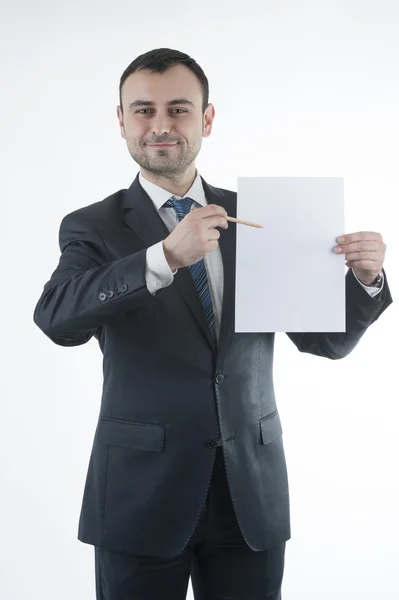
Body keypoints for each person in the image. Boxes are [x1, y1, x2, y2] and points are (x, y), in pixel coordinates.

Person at [33, 47, 393, 600]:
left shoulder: (263, 218)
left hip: (249, 493)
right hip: (139, 494)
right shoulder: (93, 225)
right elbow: (58, 317)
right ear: (122, 121)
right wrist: (163, 259)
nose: (160, 125)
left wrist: (365, 280)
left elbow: (326, 341)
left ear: (206, 119)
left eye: (178, 109)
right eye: (143, 110)